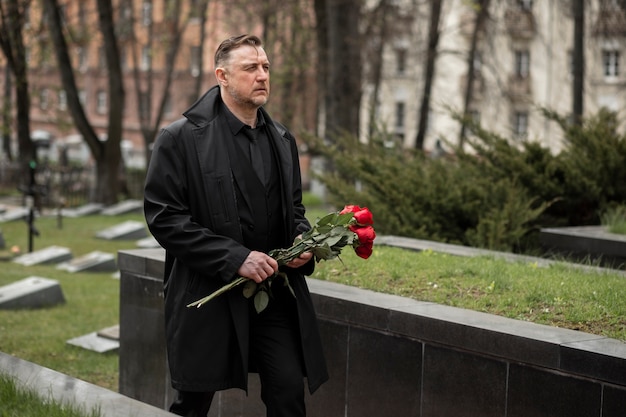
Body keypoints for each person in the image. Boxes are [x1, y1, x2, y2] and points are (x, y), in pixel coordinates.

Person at [143, 34, 328, 417]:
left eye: (265, 67)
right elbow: (165, 217)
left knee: (289, 389)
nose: (262, 76)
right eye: (250, 68)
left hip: (272, 292)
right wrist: (234, 257)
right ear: (222, 76)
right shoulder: (179, 139)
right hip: (209, 291)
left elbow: (294, 209)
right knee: (193, 401)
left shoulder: (282, 139)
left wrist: (301, 241)